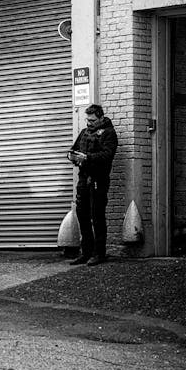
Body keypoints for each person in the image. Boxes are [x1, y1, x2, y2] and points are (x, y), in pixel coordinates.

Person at [68, 103, 118, 266]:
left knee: (97, 217)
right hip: (84, 179)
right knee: (82, 215)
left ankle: (99, 254)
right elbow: (74, 150)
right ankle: (86, 252)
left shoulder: (109, 133)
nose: (89, 123)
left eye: (92, 120)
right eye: (87, 120)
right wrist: (72, 156)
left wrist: (87, 158)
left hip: (99, 179)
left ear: (101, 117)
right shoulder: (83, 132)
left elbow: (107, 155)